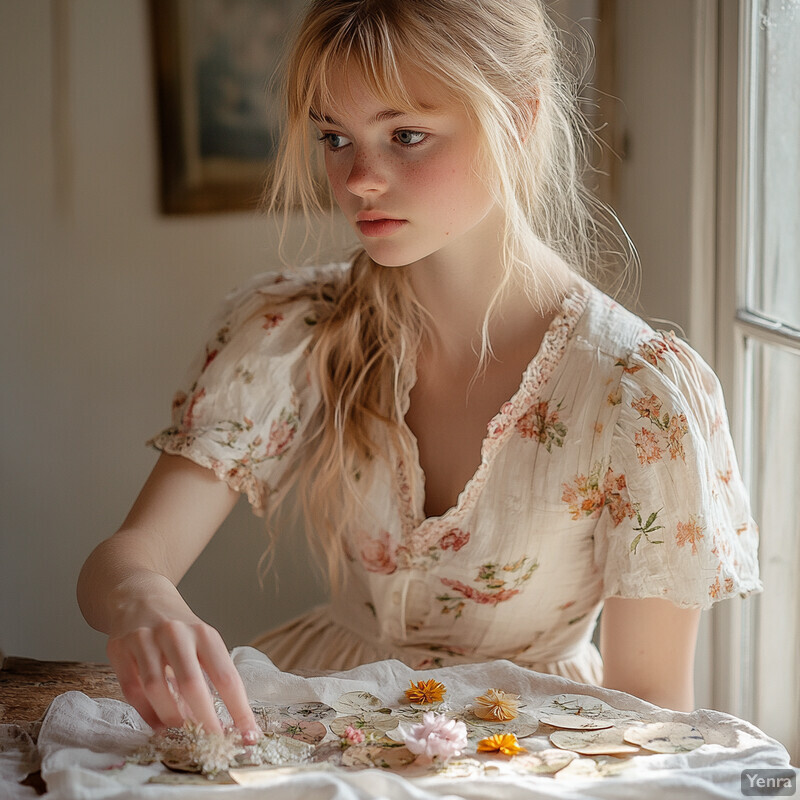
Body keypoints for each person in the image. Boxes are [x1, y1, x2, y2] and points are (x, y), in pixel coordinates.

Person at [77, 0, 762, 744]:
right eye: (335, 137)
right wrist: (143, 597)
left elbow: (650, 715)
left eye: (406, 135)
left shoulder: (637, 395)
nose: (360, 178)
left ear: (520, 118)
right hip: (331, 722)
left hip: (533, 753)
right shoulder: (299, 332)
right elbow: (127, 556)